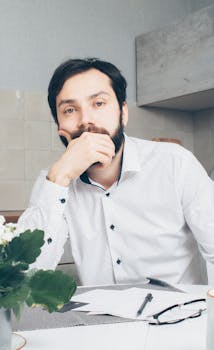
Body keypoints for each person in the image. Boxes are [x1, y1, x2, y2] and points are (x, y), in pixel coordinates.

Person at [19, 58, 214, 285]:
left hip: (180, 315)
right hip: (99, 320)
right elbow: (24, 276)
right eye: (70, 110)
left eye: (99, 103)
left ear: (123, 114)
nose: (86, 120)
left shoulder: (175, 163)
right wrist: (59, 178)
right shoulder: (54, 182)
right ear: (60, 127)